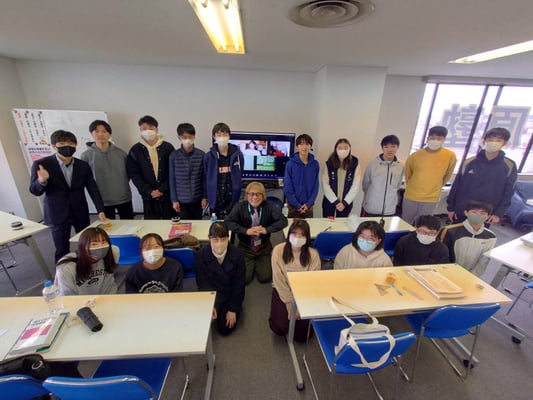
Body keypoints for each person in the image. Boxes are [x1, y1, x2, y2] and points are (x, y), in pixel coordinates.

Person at [29, 130, 107, 262]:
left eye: (71, 144)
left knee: (85, 245)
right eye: (62, 144)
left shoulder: (82, 165)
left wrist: (100, 210)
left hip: (80, 211)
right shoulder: (42, 165)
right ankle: (62, 272)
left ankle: (86, 268)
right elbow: (34, 190)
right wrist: (42, 181)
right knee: (62, 249)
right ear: (54, 146)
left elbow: (92, 188)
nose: (67, 146)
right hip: (57, 213)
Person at [447, 127, 517, 225]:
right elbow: (456, 186)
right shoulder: (469, 162)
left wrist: (498, 214)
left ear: (504, 143)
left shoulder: (509, 166)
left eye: (498, 140)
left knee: (480, 235)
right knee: (455, 233)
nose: (493, 142)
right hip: (462, 210)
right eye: (490, 139)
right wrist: (451, 208)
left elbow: (508, 192)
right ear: (484, 141)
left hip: (486, 214)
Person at [225, 181, 288, 284]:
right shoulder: (240, 206)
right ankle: (251, 262)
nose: (255, 197)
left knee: (265, 277)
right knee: (245, 279)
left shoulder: (269, 206)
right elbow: (228, 222)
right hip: (245, 248)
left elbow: (283, 221)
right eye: (251, 194)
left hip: (263, 247)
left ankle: (258, 261)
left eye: (258, 194)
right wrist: (245, 231)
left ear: (263, 196)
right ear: (247, 195)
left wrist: (267, 229)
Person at [269, 220, 321, 342]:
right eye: (294, 233)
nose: (297, 238)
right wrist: (290, 305)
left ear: (307, 237)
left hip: (304, 293)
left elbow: (312, 283)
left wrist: (299, 306)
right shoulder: (278, 250)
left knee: (302, 335)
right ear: (289, 234)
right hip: (283, 290)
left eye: (302, 234)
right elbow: (279, 280)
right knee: (280, 328)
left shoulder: (313, 254)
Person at [195, 222, 246, 335]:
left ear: (228, 238)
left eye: (223, 239)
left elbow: (239, 285)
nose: (219, 244)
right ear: (209, 239)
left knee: (225, 328)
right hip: (213, 293)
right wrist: (211, 304)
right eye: (215, 240)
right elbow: (202, 282)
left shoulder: (238, 254)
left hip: (229, 294)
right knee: (199, 323)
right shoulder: (201, 254)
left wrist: (233, 309)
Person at [80, 120, 134, 220]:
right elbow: (87, 180)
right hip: (102, 201)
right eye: (97, 131)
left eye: (104, 131)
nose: (101, 134)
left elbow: (129, 174)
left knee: (129, 224)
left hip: (124, 198)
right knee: (108, 226)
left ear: (109, 134)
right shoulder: (86, 156)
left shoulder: (121, 153)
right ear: (91, 133)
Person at [402, 126, 457, 224]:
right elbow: (408, 175)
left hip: (431, 198)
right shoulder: (415, 155)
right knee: (405, 223)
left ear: (444, 140)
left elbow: (447, 176)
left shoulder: (450, 156)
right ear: (427, 138)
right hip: (411, 196)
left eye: (439, 139)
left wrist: (435, 186)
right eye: (432, 138)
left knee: (424, 225)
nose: (435, 141)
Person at [127, 115, 175, 219]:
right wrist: (148, 191)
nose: (148, 131)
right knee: (151, 224)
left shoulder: (168, 147)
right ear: (140, 130)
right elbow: (134, 174)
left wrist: (162, 189)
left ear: (156, 129)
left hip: (166, 195)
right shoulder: (135, 150)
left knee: (170, 224)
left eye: (151, 128)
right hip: (148, 197)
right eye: (144, 129)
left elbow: (173, 171)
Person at [440, 200, 497, 277]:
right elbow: (442, 255)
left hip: (471, 276)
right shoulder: (450, 231)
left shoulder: (491, 237)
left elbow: (484, 260)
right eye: (474, 212)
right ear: (466, 212)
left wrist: (471, 276)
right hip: (447, 273)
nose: (478, 215)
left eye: (482, 213)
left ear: (488, 216)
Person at [54, 227, 118, 295]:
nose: (100, 246)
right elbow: (67, 295)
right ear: (83, 246)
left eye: (104, 242)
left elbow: (109, 285)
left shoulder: (111, 255)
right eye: (94, 244)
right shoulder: (67, 267)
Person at [204, 122, 244, 219]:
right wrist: (205, 197)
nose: (222, 137)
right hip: (215, 199)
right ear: (214, 137)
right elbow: (205, 178)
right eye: (219, 135)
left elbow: (240, 173)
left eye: (225, 135)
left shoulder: (238, 155)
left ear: (229, 136)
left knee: (232, 223)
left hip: (232, 199)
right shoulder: (208, 156)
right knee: (215, 225)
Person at [169, 122, 207, 220]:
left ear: (194, 137)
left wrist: (205, 197)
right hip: (181, 201)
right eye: (184, 137)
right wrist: (174, 200)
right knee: (183, 226)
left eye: (190, 136)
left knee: (198, 224)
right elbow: (172, 179)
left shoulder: (201, 155)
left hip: (198, 199)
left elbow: (204, 178)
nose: (187, 139)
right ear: (179, 137)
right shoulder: (174, 156)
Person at [362, 135, 404, 217]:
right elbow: (365, 185)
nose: (389, 150)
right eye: (386, 147)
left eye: (393, 146)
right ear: (382, 148)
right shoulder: (372, 165)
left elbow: (398, 186)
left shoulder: (401, 166)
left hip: (389, 209)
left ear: (397, 147)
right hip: (371, 208)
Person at [321, 138, 361, 218]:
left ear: (349, 149)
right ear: (335, 149)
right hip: (330, 201)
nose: (343, 150)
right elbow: (325, 185)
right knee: (328, 223)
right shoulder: (329, 164)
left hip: (345, 203)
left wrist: (345, 203)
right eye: (340, 148)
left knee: (342, 223)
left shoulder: (355, 164)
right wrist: (335, 201)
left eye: (345, 148)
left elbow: (355, 185)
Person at [283, 134, 320, 218]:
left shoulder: (315, 164)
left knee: (309, 226)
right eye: (301, 144)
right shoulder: (290, 164)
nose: (304, 147)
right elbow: (287, 187)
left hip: (308, 206)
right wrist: (297, 205)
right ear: (297, 146)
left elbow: (316, 186)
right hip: (293, 206)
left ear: (310, 146)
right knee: (292, 226)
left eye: (307, 144)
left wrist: (308, 204)